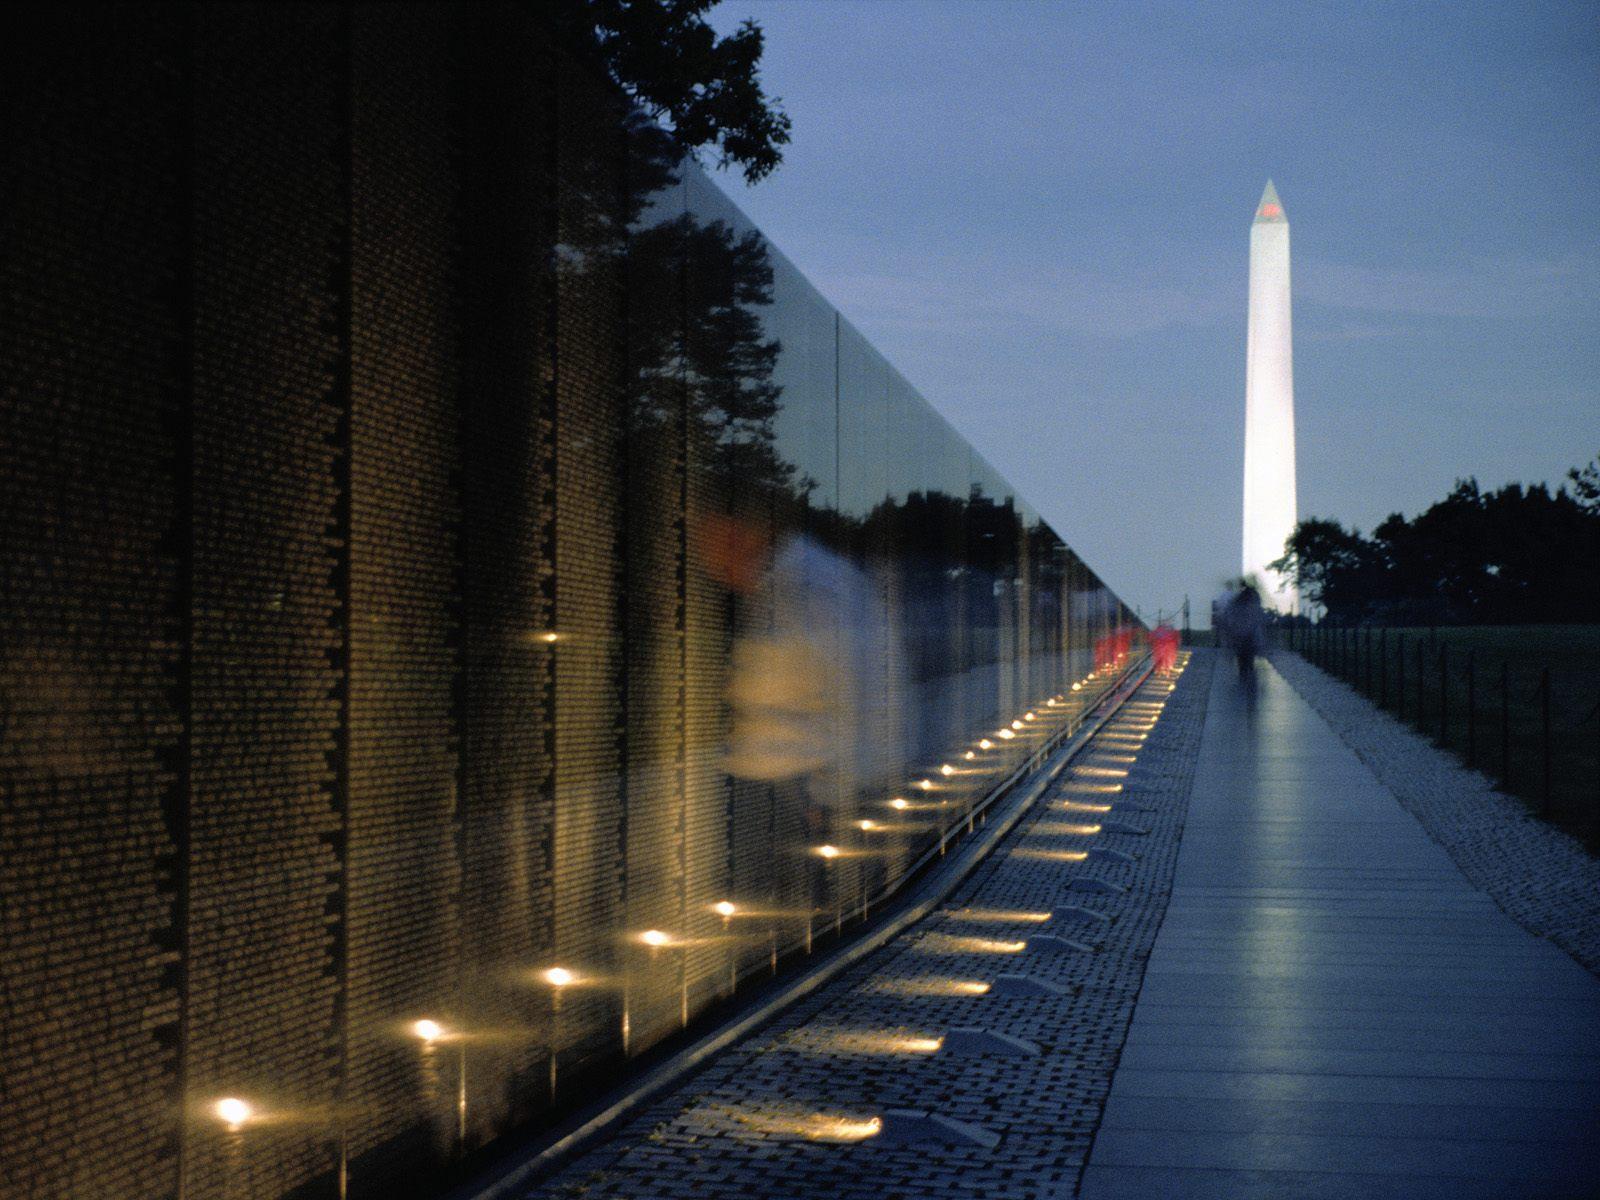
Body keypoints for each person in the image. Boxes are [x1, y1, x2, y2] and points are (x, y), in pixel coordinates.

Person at [1217, 584, 1266, 680]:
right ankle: (1249, 676)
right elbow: (1258, 621)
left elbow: (1230, 619)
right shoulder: (1253, 604)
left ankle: (1243, 675)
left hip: (1239, 636)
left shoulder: (1236, 603)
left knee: (1241, 659)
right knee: (1249, 659)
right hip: (1250, 637)